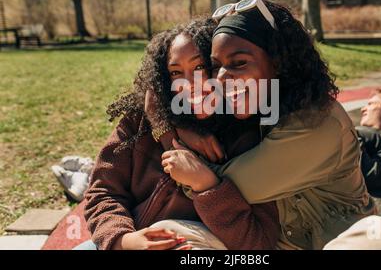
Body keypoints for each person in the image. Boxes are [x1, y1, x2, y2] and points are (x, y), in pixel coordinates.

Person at [155, 0, 381, 250]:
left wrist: (169, 135)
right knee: (169, 234)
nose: (221, 78)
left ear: (278, 63)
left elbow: (227, 185)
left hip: (341, 243)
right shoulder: (259, 105)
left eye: (239, 63)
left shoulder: (318, 121)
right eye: (216, 65)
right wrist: (163, 112)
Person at [80, 19, 279, 250]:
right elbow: (103, 191)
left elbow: (258, 244)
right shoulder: (140, 121)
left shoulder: (251, 137)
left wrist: (207, 187)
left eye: (200, 67)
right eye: (176, 72)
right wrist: (124, 240)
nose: (190, 84)